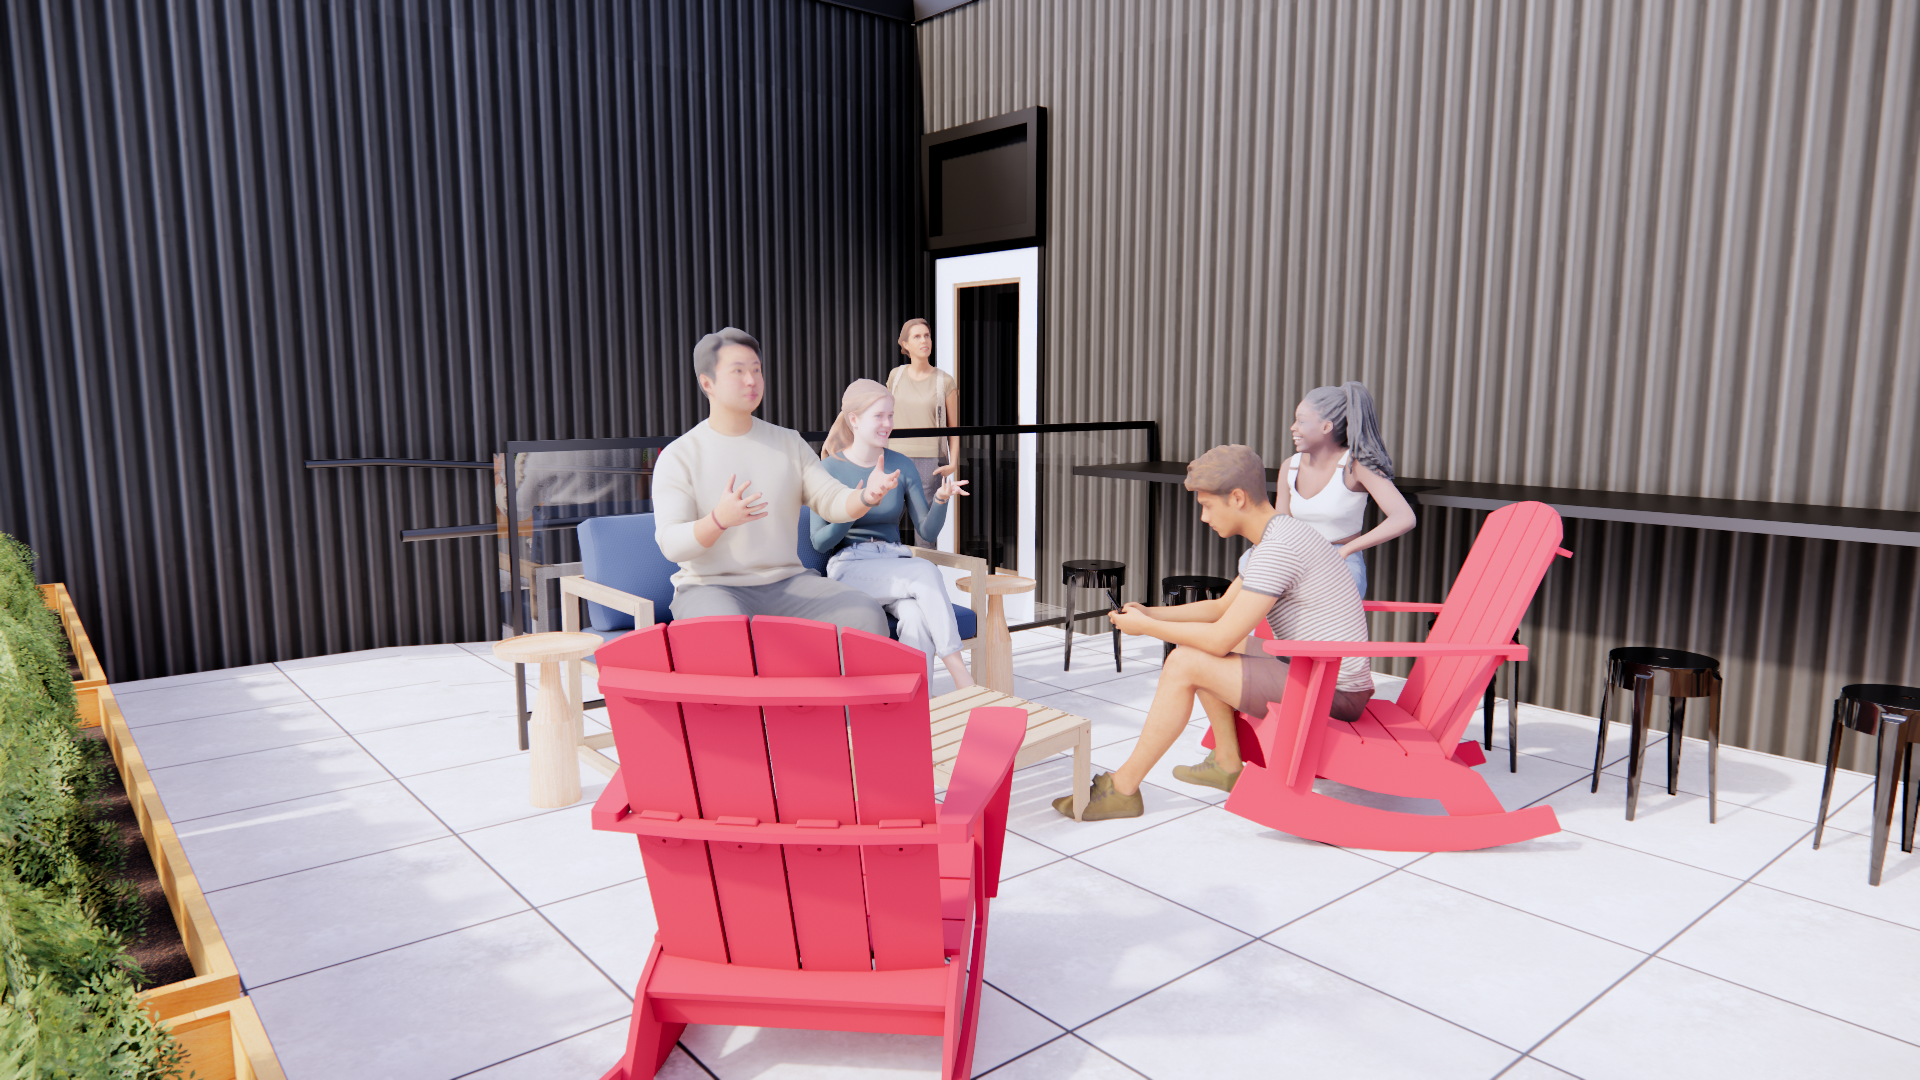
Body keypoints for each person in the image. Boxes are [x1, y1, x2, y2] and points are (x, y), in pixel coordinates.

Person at [1051, 445, 1375, 820]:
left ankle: (1123, 789)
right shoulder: (1277, 537)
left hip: (1333, 690)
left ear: (1237, 498)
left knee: (1185, 662)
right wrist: (1150, 611)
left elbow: (1220, 638)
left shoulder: (1277, 550)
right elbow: (1221, 609)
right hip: (1316, 668)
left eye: (1207, 505)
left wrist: (1147, 628)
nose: (1204, 517)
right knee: (1202, 650)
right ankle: (1226, 761)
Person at [652, 328, 895, 636]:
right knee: (726, 632)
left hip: (789, 584)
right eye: (738, 371)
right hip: (711, 588)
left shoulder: (789, 443)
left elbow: (830, 499)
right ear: (707, 383)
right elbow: (671, 544)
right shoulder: (680, 455)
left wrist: (866, 497)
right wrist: (718, 520)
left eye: (756, 370)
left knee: (866, 614)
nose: (751, 380)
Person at [811, 379, 974, 686]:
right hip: (851, 568)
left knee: (915, 617)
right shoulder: (828, 470)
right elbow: (819, 542)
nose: (888, 424)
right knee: (925, 570)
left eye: (891, 415)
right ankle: (963, 677)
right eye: (879, 416)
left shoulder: (901, 465)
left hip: (895, 562)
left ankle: (916, 701)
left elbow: (926, 529)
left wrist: (940, 500)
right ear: (854, 419)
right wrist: (861, 502)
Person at [1281, 381, 1416, 597]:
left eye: (1301, 421)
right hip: (1296, 558)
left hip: (1338, 562)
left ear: (1326, 427)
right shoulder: (1290, 466)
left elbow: (1404, 517)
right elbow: (1281, 524)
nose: (1293, 427)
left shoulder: (1355, 466)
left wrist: (1346, 550)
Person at [885, 318, 959, 509]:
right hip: (893, 457)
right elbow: (883, 414)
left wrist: (953, 463)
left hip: (930, 462)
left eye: (927, 336)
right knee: (887, 517)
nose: (924, 340)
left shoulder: (944, 381)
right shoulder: (895, 376)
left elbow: (954, 429)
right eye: (917, 336)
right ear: (905, 344)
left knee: (925, 522)